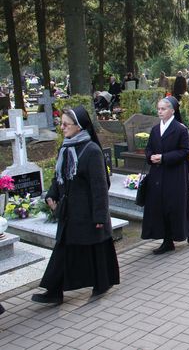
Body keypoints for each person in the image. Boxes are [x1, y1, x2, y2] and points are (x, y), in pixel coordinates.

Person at [32, 106, 119, 304]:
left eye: (65, 124)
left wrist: (99, 217)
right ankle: (54, 291)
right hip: (69, 211)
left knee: (96, 248)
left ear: (78, 126)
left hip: (86, 211)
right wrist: (52, 194)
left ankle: (102, 283)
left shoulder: (92, 151)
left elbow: (100, 186)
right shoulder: (66, 147)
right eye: (60, 123)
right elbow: (58, 176)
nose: (61, 127)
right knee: (64, 249)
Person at [141, 97, 189, 254]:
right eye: (158, 109)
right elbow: (149, 148)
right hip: (158, 174)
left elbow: (186, 151)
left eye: (163, 109)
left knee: (175, 206)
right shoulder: (155, 129)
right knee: (160, 206)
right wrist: (150, 156)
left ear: (172, 110)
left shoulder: (180, 129)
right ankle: (167, 240)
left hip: (175, 174)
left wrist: (164, 158)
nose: (160, 111)